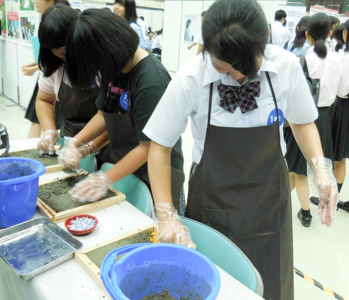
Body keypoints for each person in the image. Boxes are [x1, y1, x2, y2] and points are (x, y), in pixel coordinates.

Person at [143, 1, 338, 299]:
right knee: (213, 286)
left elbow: (301, 122)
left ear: (265, 43)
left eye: (243, 67)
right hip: (212, 203)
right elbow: (160, 146)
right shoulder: (191, 79)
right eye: (222, 66)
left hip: (269, 205)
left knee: (272, 286)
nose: (234, 76)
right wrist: (167, 215)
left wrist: (320, 168)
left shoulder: (285, 67)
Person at [63, 9, 185, 214]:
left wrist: (103, 179)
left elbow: (148, 148)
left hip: (157, 178)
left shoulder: (151, 81)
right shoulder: (115, 69)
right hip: (128, 171)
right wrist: (76, 143)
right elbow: (104, 114)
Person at [35, 5, 109, 165]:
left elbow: (108, 116)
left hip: (106, 141)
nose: (59, 56)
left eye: (63, 51)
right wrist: (49, 132)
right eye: (53, 51)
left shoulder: (102, 63)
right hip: (70, 142)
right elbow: (44, 100)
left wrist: (88, 147)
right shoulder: (54, 65)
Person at [286, 13, 341, 223]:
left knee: (299, 170)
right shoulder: (337, 59)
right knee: (300, 168)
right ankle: (294, 202)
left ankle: (306, 213)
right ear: (330, 32)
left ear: (307, 34)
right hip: (326, 116)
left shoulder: (302, 59)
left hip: (304, 119)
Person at [22, 0, 69, 138]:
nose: (35, 1)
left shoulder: (62, 19)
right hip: (48, 73)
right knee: (39, 116)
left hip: (53, 73)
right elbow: (50, 55)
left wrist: (36, 67)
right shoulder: (46, 19)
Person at [331, 19, 349, 213]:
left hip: (345, 107)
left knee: (340, 157)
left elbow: (342, 89)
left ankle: (333, 200)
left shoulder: (345, 57)